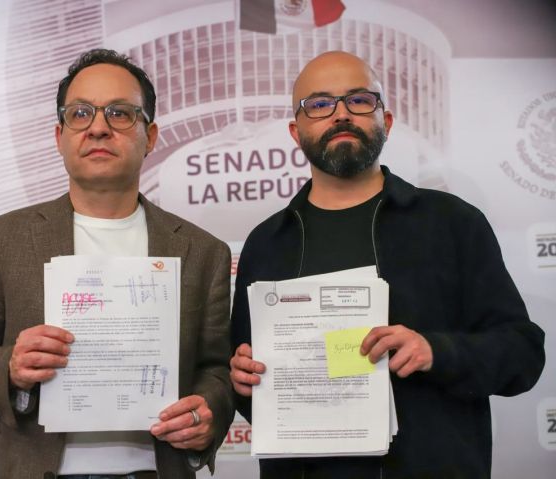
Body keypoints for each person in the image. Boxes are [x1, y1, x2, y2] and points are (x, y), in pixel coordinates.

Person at [229, 51, 545, 479]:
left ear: (387, 121)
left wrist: (435, 351)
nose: (341, 114)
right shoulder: (266, 243)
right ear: (295, 131)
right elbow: (250, 391)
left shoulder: (453, 222)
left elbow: (523, 354)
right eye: (319, 104)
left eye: (359, 100)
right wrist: (243, 381)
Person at [0, 48, 234, 479]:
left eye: (120, 113)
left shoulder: (203, 251)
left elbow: (215, 369)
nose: (99, 127)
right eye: (81, 113)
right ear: (60, 136)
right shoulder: (2, 239)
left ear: (151, 136)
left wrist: (208, 415)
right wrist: (11, 367)